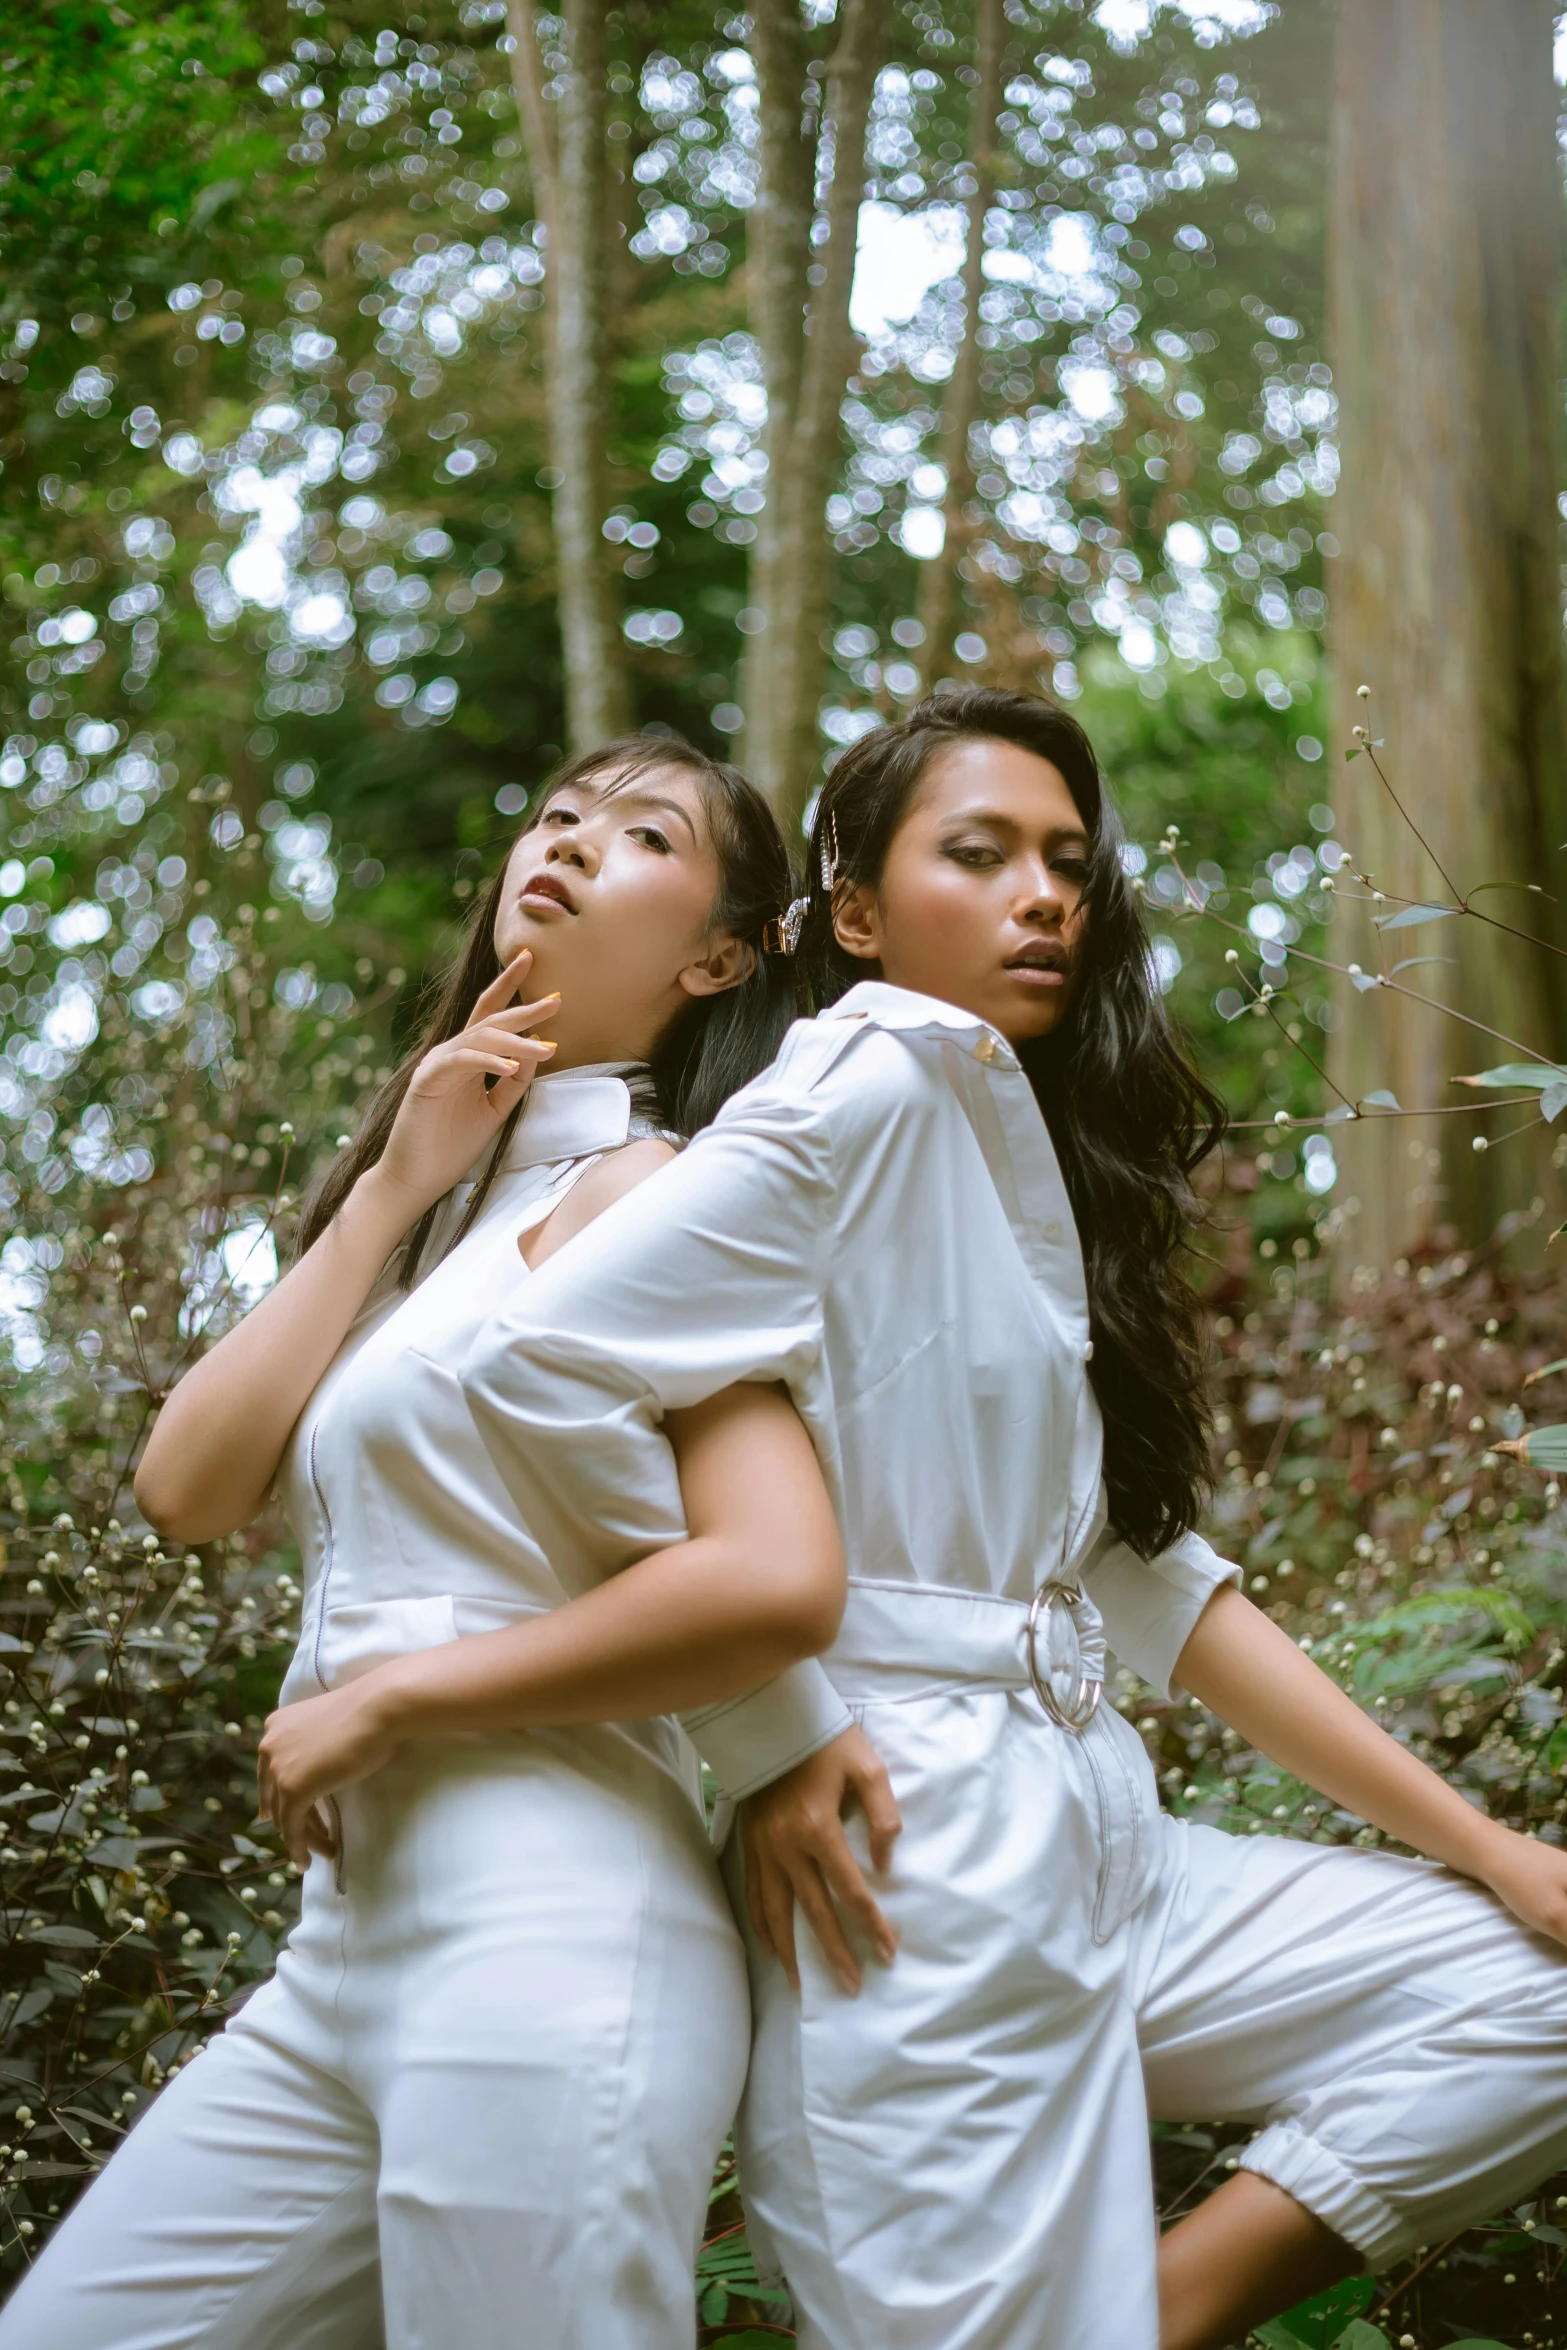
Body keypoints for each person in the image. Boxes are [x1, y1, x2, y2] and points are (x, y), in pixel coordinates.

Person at [459, 687, 1567, 2350]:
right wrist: (769, 1729)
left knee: (1538, 1991)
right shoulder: (861, 1079)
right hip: (906, 1852)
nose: (1043, 892)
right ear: (853, 913)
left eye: (1064, 859)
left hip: (1103, 1831)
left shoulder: (1007, 1145)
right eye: (976, 855)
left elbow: (1152, 1588)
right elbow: (547, 1373)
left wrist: (1492, 1852)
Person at [0, 738, 846, 2350]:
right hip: (345, 1948)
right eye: (556, 813)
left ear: (720, 954)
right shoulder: (435, 1211)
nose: (573, 840)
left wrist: (396, 1696)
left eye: (643, 832)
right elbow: (186, 1483)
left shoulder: (661, 1189)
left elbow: (767, 1573)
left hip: (555, 1918)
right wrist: (391, 1185)